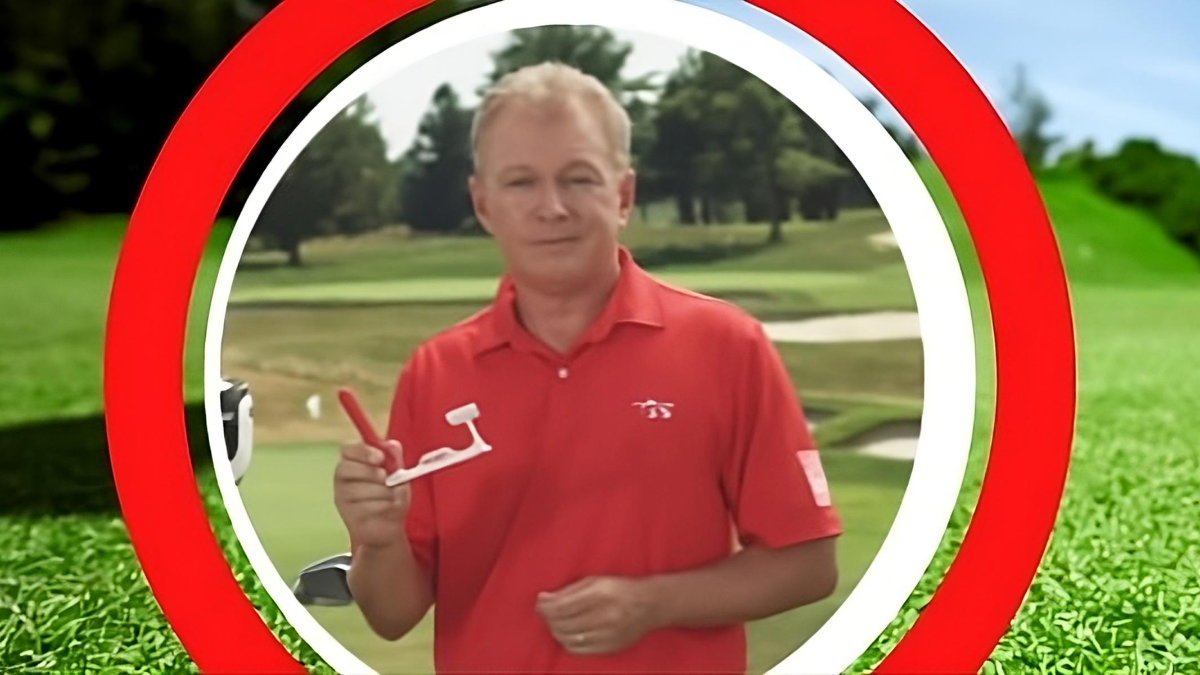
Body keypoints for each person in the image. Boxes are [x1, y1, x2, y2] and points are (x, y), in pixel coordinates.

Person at [333, 62, 842, 674]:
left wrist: (653, 604)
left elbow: (808, 564)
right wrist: (379, 541)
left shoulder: (726, 344)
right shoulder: (435, 370)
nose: (552, 208)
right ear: (483, 203)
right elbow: (392, 617)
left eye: (578, 179)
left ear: (623, 195)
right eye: (521, 183)